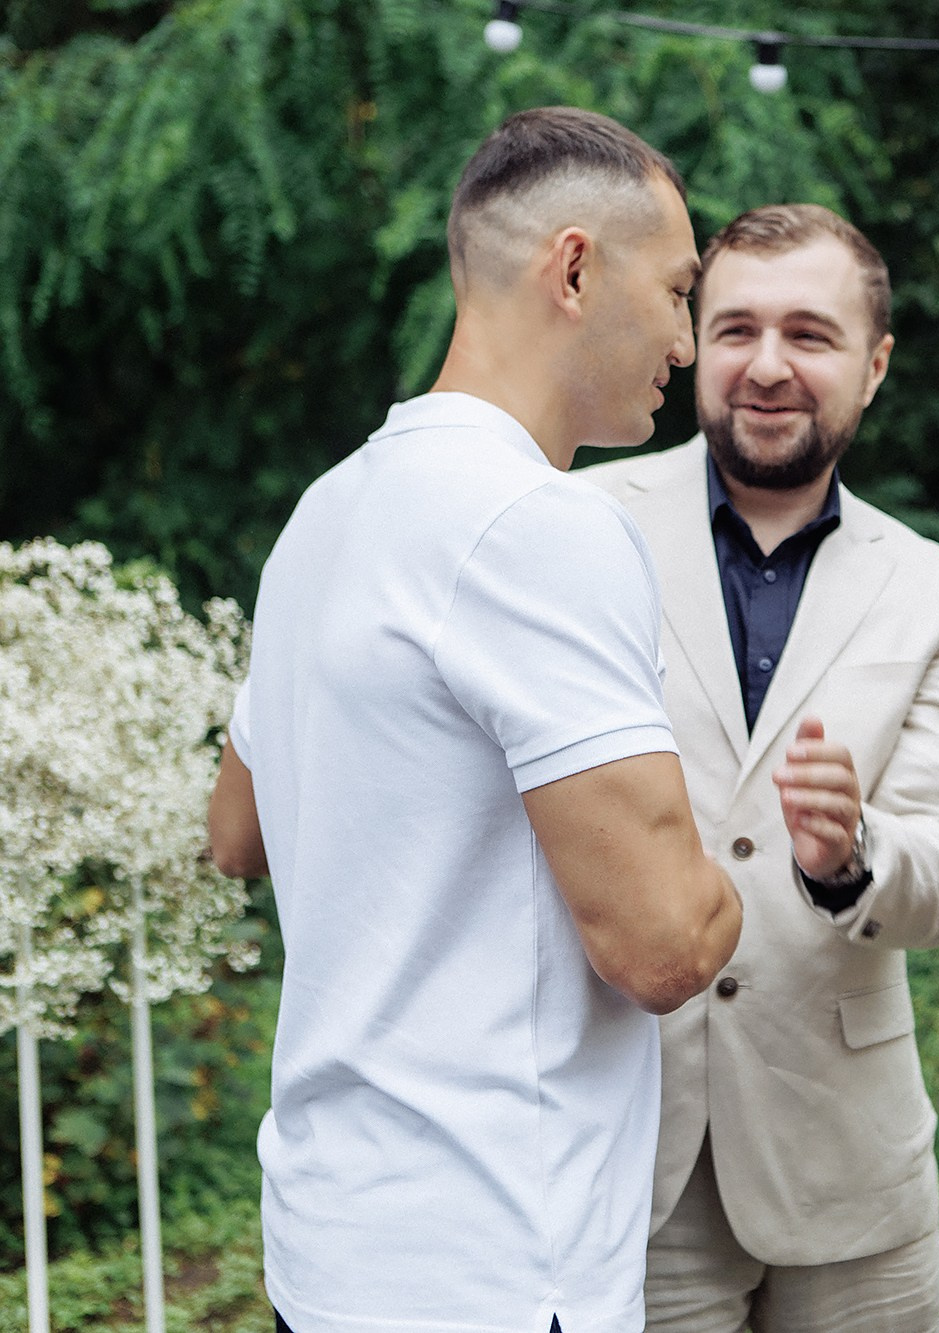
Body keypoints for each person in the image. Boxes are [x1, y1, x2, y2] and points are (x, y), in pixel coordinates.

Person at [203, 107, 743, 1333]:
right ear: (571, 268)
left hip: (328, 1249)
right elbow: (663, 943)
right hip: (494, 1265)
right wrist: (740, 880)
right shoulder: (539, 525)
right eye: (674, 292)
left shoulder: (327, 514)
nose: (683, 339)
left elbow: (237, 831)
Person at [577, 203, 939, 1333]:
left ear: (875, 364)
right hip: (622, 1147)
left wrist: (853, 856)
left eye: (809, 335)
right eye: (735, 330)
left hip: (850, 1168)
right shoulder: (575, 526)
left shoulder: (938, 593)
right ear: (693, 343)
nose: (766, 366)